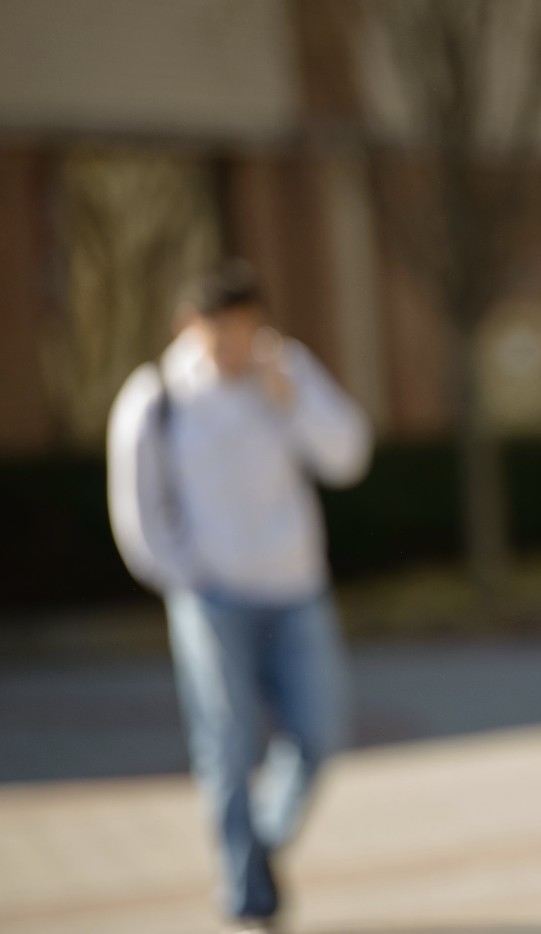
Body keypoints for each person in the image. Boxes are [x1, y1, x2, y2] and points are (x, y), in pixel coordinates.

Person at [107, 260, 372, 933]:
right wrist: (188, 579)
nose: (234, 347)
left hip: (296, 591)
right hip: (213, 599)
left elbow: (348, 458)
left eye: (248, 331)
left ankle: (254, 847)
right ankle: (246, 900)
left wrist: (293, 398)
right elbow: (138, 510)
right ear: (189, 326)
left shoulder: (285, 370)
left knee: (318, 735)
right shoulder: (156, 396)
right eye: (221, 333)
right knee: (225, 746)